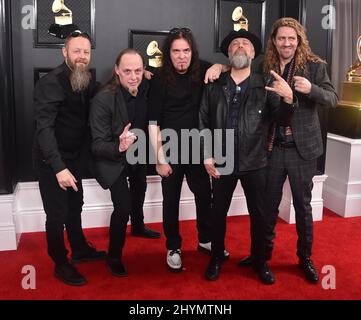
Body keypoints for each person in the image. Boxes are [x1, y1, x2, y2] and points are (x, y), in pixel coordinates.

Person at [239, 18, 338, 284]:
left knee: (303, 209)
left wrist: (311, 89)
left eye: (291, 38)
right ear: (274, 40)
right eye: (281, 38)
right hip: (272, 148)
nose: (286, 43)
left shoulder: (314, 66)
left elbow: (333, 98)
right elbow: (241, 78)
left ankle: (305, 258)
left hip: (302, 150)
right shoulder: (264, 65)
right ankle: (261, 257)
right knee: (267, 208)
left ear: (299, 40)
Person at [199, 29, 296, 284]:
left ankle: (259, 261)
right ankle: (217, 257)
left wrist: (288, 98)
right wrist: (207, 154)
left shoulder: (265, 85)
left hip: (256, 162)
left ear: (253, 53)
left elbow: (282, 119)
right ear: (228, 53)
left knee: (260, 215)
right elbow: (203, 121)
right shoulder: (214, 84)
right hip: (222, 161)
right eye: (234, 44)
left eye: (245, 44)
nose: (240, 46)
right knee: (217, 214)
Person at [148, 27, 229, 272]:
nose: (181, 56)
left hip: (198, 148)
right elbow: (153, 123)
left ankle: (205, 240)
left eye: (186, 51)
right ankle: (173, 246)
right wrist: (159, 160)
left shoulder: (203, 68)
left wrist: (219, 67)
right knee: (170, 201)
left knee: (204, 196)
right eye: (176, 51)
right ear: (168, 53)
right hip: (170, 148)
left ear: (192, 52)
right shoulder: (160, 79)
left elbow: (231, 69)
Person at [33, 30, 106, 286]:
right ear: (64, 52)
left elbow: (104, 94)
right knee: (57, 213)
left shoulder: (85, 78)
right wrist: (58, 168)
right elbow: (44, 129)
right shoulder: (50, 83)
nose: (82, 56)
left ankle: (79, 248)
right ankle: (60, 262)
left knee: (76, 205)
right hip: (52, 161)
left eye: (86, 52)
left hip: (75, 158)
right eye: (76, 51)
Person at [89, 48, 161, 277]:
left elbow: (170, 76)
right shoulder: (103, 98)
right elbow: (96, 144)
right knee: (123, 207)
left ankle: (138, 226)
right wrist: (119, 146)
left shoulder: (146, 86)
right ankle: (114, 257)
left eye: (138, 70)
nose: (133, 76)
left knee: (139, 190)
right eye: (127, 71)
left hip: (137, 153)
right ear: (117, 71)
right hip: (114, 156)